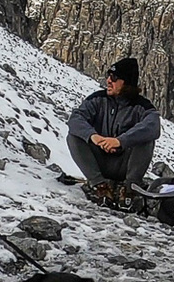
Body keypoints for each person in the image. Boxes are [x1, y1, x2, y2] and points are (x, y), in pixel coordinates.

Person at [66, 57, 161, 204]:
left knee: (146, 139)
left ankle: (130, 188)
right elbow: (75, 118)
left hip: (126, 165)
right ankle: (100, 185)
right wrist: (93, 137)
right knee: (74, 136)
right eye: (108, 76)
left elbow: (153, 126)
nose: (109, 81)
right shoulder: (98, 99)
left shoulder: (142, 106)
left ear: (126, 82)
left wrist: (119, 141)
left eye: (114, 77)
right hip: (100, 161)